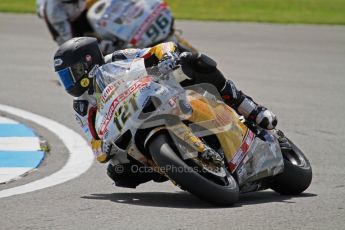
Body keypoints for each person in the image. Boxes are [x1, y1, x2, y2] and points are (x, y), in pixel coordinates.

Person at [53, 37, 277, 188]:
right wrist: (103, 147)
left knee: (195, 63)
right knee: (119, 174)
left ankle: (250, 108)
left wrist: (168, 56)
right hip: (131, 131)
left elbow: (155, 50)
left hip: (161, 93)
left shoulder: (117, 60)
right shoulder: (82, 107)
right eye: (64, 78)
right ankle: (176, 167)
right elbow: (94, 140)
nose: (69, 83)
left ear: (88, 63)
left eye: (71, 74)